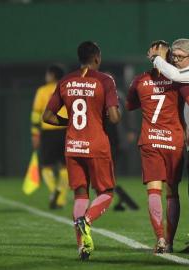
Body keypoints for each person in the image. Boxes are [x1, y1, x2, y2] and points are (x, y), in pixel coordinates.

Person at [128, 40, 189, 253]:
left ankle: (159, 239)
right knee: (172, 192)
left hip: (150, 139)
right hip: (174, 141)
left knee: (153, 191)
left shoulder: (140, 80)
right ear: (168, 57)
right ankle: (171, 240)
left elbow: (130, 105)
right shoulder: (179, 81)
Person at [43, 41, 121, 260]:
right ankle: (86, 220)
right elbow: (114, 117)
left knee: (80, 193)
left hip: (73, 145)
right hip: (96, 144)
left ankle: (82, 246)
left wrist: (68, 124)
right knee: (106, 192)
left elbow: (47, 117)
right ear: (97, 57)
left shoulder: (65, 80)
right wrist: (114, 114)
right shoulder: (105, 80)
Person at [30, 64, 69, 209]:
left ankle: (54, 190)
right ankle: (61, 198)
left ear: (52, 75)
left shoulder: (42, 91)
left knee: (46, 165)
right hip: (66, 130)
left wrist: (35, 134)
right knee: (66, 166)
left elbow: (36, 113)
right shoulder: (67, 89)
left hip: (48, 132)